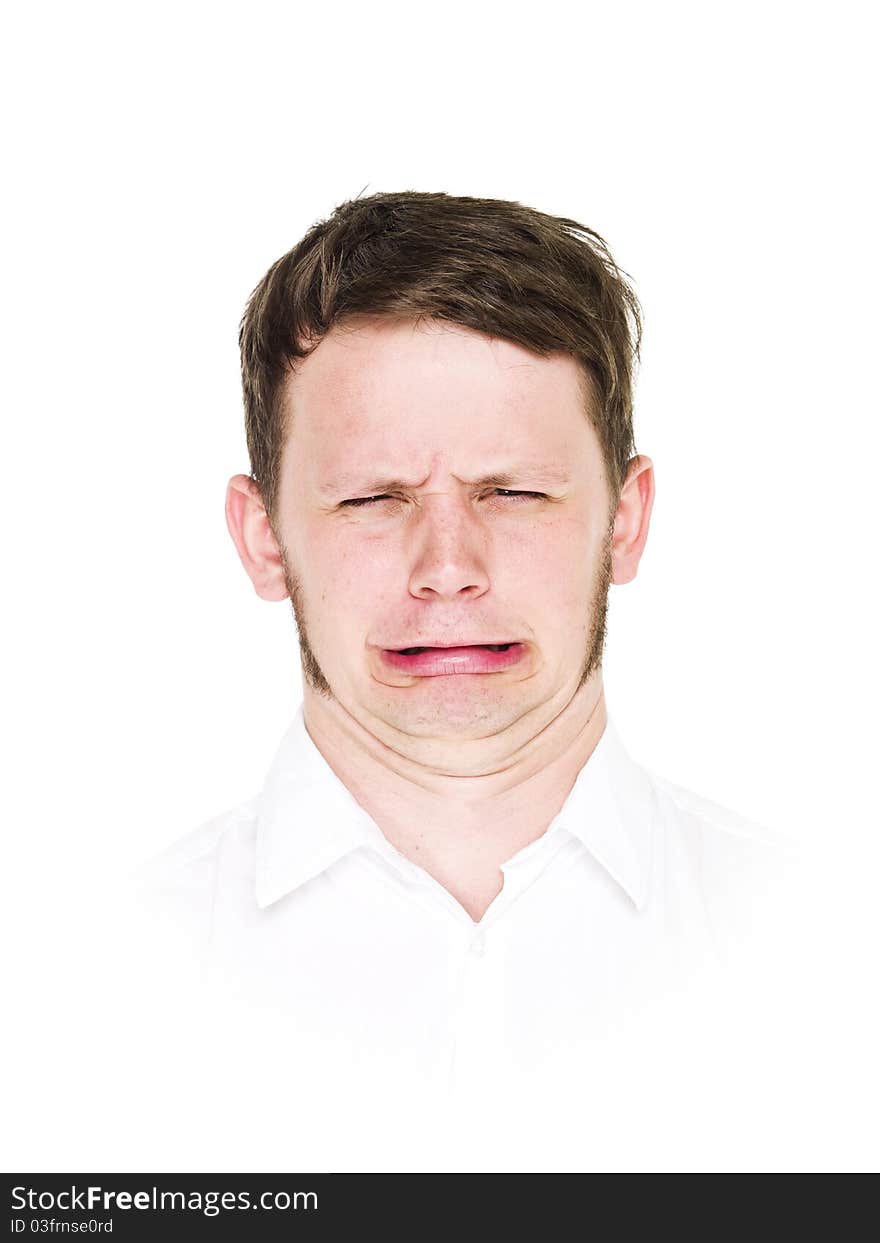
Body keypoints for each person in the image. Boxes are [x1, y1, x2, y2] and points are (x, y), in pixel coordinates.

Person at [137, 190, 789, 1109]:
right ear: (263, 537)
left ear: (626, 522)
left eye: (513, 492)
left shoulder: (826, 958)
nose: (448, 568)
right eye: (372, 498)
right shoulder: (88, 991)